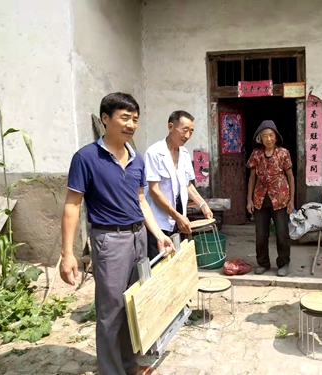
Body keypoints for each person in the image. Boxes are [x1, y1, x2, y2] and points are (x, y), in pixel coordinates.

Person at [60, 92, 175, 375]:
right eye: (124, 118)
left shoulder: (137, 160)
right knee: (110, 312)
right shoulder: (86, 158)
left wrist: (157, 234)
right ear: (105, 119)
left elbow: (141, 201)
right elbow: (72, 205)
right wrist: (67, 254)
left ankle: (129, 364)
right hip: (109, 241)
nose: (131, 125)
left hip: (138, 238)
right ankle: (111, 371)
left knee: (133, 306)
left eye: (135, 119)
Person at [144, 110, 213, 260]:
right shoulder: (154, 153)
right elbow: (154, 191)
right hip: (159, 221)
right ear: (170, 127)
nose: (187, 136)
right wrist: (177, 216)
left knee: (177, 262)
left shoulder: (185, 154)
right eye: (184, 130)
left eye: (191, 131)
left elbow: (187, 185)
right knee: (159, 264)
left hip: (178, 219)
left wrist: (203, 204)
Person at [247, 120, 295, 277]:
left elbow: (290, 177)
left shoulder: (283, 153)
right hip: (260, 199)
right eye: (265, 136)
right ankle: (263, 263)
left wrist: (292, 200)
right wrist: (249, 200)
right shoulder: (256, 154)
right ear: (260, 138)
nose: (268, 139)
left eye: (271, 135)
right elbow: (252, 177)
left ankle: (284, 263)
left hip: (280, 198)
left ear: (276, 137)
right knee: (261, 235)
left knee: (282, 233)